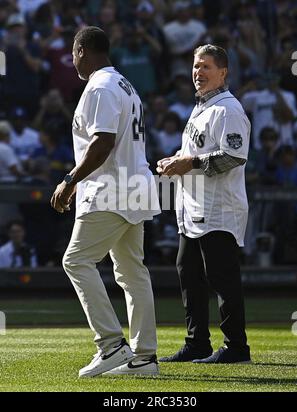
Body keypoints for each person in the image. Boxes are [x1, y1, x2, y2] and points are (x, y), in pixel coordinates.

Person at [50, 26, 160, 377]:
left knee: (76, 260)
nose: (72, 60)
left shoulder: (99, 85)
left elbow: (102, 143)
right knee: (132, 272)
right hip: (135, 184)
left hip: (111, 189)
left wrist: (69, 180)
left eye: (73, 53)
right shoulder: (126, 84)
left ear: (81, 50)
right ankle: (144, 358)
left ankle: (111, 344)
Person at [157, 44, 251, 364]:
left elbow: (235, 156)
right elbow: (194, 155)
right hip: (194, 208)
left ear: (223, 72)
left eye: (205, 67)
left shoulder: (228, 109)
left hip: (219, 208)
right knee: (188, 271)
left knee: (222, 277)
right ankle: (197, 343)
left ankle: (237, 347)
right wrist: (177, 162)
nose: (198, 73)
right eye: (196, 66)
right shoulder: (201, 107)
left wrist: (190, 164)